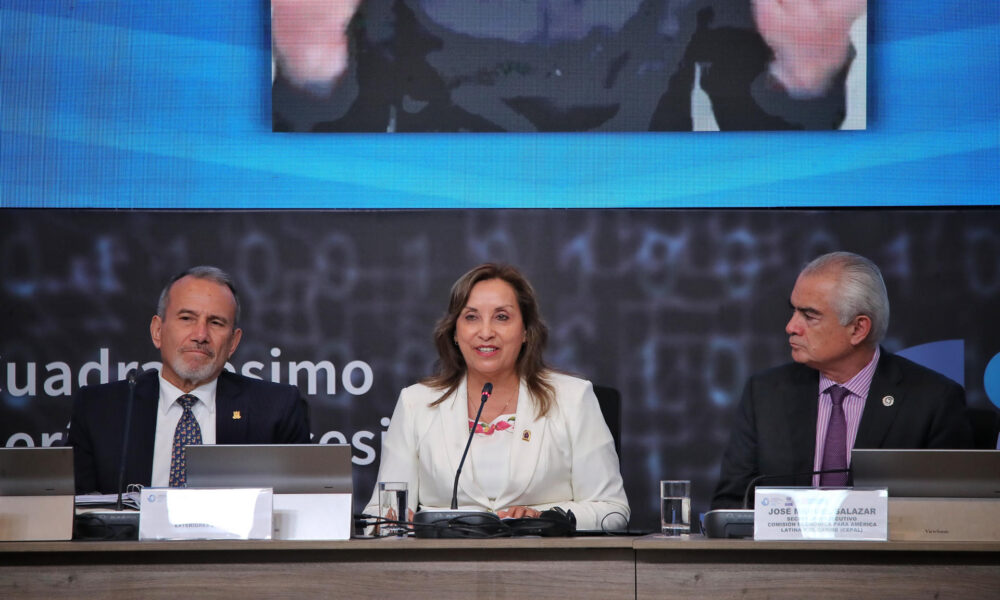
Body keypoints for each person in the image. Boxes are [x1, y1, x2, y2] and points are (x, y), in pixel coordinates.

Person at [272, 0, 866, 132]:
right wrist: (310, 56)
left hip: (653, 240)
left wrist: (809, 56)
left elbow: (770, 159)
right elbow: (338, 159)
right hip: (430, 240)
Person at [364, 263, 629, 530]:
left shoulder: (573, 399)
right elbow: (380, 513)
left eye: (501, 317)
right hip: (441, 567)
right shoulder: (416, 404)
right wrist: (393, 521)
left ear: (526, 331)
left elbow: (612, 510)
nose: (486, 332)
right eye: (471, 317)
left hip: (545, 565)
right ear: (455, 332)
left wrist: (545, 517)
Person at [711, 252, 973, 509]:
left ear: (858, 329)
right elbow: (732, 505)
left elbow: (951, 516)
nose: (791, 326)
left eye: (809, 316)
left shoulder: (932, 401)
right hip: (786, 552)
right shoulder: (765, 394)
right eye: (794, 311)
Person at [68, 266, 311, 494]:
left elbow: (299, 512)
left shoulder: (275, 410)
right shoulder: (100, 409)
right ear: (157, 331)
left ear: (233, 343)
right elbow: (77, 515)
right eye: (186, 318)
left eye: (215, 322)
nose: (200, 335)